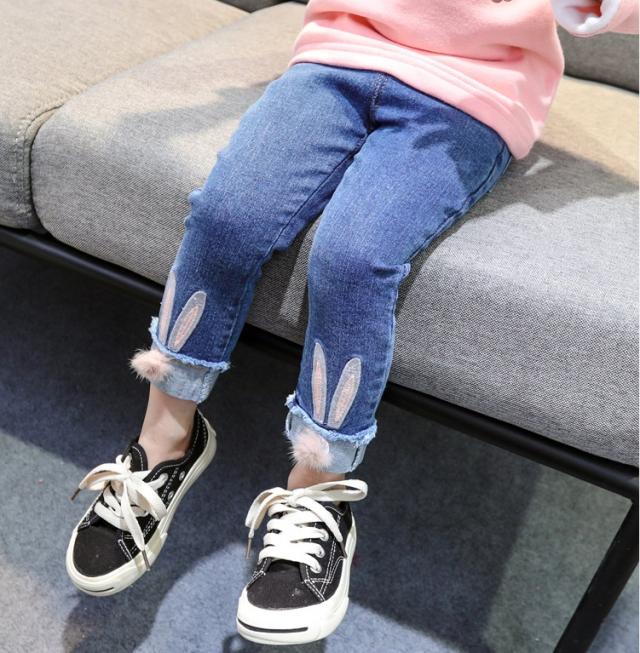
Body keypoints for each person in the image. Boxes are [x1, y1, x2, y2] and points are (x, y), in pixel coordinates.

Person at [65, 0, 638, 645]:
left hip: (473, 93)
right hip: (340, 53)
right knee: (226, 217)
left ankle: (317, 493)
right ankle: (164, 445)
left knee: (352, 260)